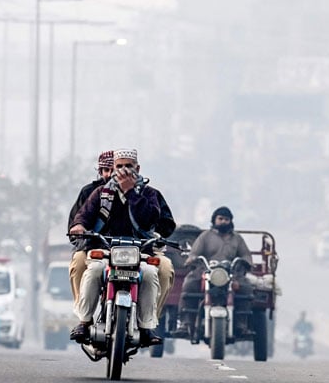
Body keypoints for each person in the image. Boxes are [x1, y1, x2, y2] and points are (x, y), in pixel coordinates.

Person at [68, 148, 163, 347]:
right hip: (105, 249)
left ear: (137, 168)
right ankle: (84, 321)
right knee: (94, 270)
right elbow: (84, 214)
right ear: (112, 169)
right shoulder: (100, 192)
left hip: (140, 252)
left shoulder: (149, 193)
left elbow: (151, 219)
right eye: (119, 166)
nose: (123, 170)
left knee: (149, 274)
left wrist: (130, 192)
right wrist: (79, 225)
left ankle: (146, 326)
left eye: (128, 166)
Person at [172, 206, 253, 338]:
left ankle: (241, 324)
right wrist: (192, 260)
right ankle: (185, 324)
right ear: (214, 220)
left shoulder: (237, 238)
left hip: (230, 272)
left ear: (231, 221)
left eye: (226, 219)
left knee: (246, 288)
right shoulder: (205, 236)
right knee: (189, 283)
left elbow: (246, 255)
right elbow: (194, 253)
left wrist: (246, 262)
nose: (223, 222)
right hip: (207, 271)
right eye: (220, 219)